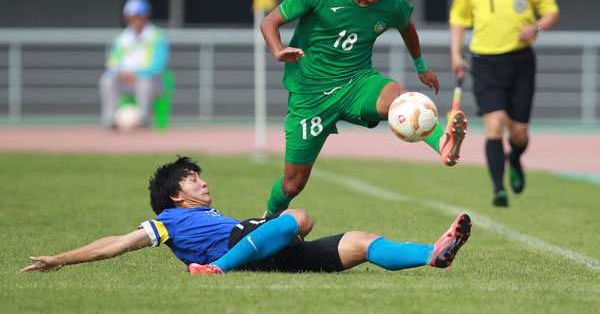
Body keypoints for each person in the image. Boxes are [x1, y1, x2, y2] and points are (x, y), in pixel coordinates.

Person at [260, 0, 467, 217]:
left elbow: (407, 27)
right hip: (311, 95)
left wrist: (421, 67)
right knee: (293, 185)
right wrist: (278, 50)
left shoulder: (391, 4)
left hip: (357, 82)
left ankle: (443, 145)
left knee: (401, 98)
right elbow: (270, 21)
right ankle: (266, 222)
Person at [21, 156, 471, 275]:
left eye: (198, 175)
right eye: (192, 179)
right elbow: (116, 245)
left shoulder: (208, 212)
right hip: (241, 247)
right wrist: (60, 258)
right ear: (175, 195)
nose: (201, 181)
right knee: (299, 218)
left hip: (260, 249)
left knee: (359, 242)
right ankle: (216, 269)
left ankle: (431, 254)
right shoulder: (168, 222)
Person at [449, 0, 560, 207]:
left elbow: (551, 12)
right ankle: (498, 190)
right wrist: (455, 54)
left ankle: (515, 157)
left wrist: (536, 27)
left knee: (519, 132)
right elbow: (459, 19)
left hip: (521, 61)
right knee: (494, 124)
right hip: (485, 62)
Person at [99, 0, 170, 129]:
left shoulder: (157, 36)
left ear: (145, 16)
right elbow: (112, 63)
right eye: (131, 17)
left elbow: (159, 64)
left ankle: (143, 121)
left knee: (145, 82)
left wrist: (137, 74)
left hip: (150, 81)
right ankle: (110, 120)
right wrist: (121, 74)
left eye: (138, 16)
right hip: (125, 80)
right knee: (107, 80)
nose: (135, 21)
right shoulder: (122, 38)